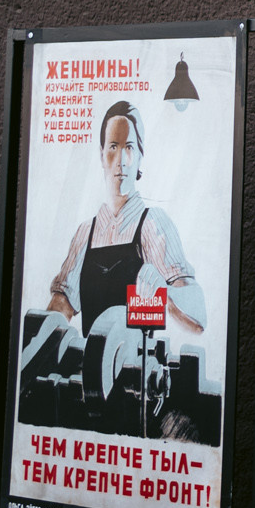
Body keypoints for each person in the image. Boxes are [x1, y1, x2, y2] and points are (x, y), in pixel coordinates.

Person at [46, 100, 208, 340]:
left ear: (141, 155)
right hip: (91, 373)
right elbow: (61, 307)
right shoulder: (85, 233)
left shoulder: (153, 224)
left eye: (129, 147)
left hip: (138, 371)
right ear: (101, 155)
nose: (121, 159)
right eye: (113, 146)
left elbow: (199, 317)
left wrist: (166, 294)